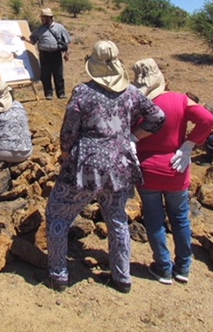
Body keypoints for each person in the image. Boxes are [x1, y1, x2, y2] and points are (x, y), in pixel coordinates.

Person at [46, 41, 166, 293]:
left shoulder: (83, 92)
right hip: (120, 165)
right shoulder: (132, 93)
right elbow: (158, 117)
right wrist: (133, 137)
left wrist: (66, 152)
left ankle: (59, 275)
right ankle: (122, 278)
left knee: (59, 213)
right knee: (118, 220)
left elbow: (69, 129)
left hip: (85, 165)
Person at [133, 58, 213, 285]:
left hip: (147, 169)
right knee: (180, 219)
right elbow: (208, 120)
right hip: (176, 168)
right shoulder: (180, 99)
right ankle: (183, 268)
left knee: (154, 219)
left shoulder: (136, 103)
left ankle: (163, 268)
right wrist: (189, 145)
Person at [24, 8, 71, 100]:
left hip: (56, 54)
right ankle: (48, 94)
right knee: (45, 75)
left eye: (43, 18)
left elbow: (67, 41)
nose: (42, 20)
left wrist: (67, 53)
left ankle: (61, 94)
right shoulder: (40, 29)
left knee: (58, 74)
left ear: (49, 18)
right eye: (41, 18)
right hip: (44, 55)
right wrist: (25, 39)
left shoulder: (59, 27)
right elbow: (33, 41)